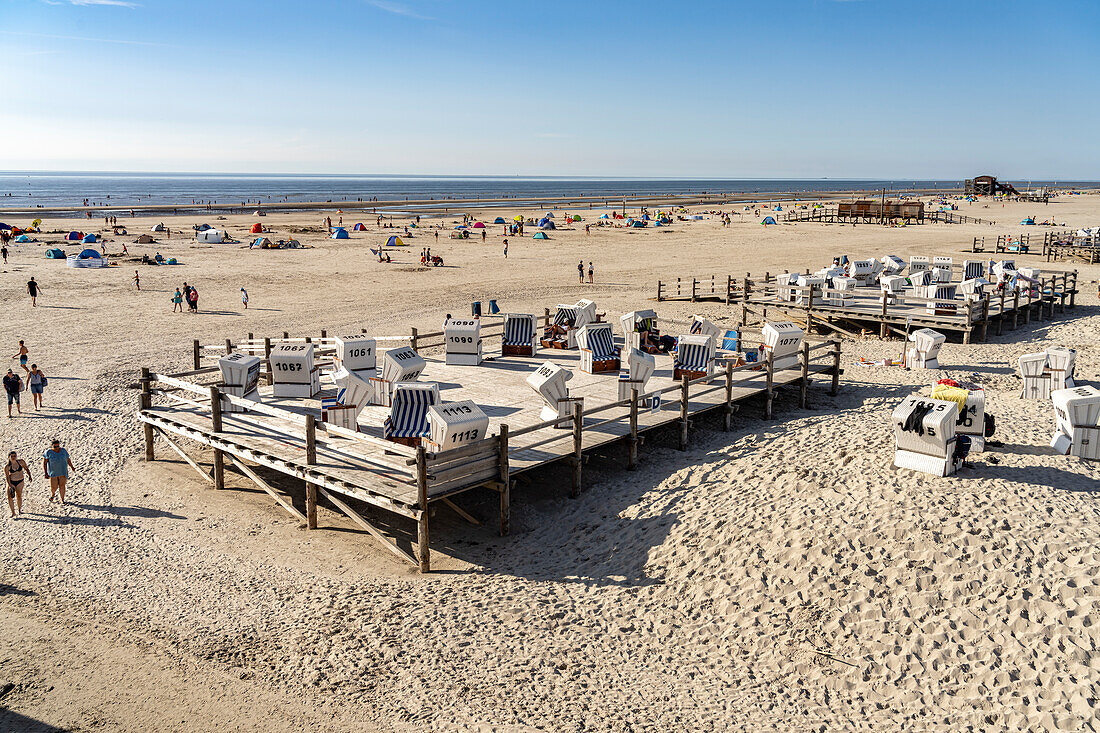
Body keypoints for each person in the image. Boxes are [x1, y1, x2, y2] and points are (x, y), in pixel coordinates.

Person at [43, 439, 74, 504]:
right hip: (53, 473)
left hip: (63, 471)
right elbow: (45, 463)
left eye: (58, 446)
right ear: (52, 446)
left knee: (62, 486)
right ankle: (53, 494)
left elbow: (68, 459)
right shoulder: (48, 452)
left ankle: (62, 499)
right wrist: (45, 473)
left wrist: (72, 467)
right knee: (54, 487)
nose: (57, 448)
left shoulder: (63, 451)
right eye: (55, 447)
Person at [5, 451, 29, 518]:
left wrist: (29, 475)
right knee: (9, 497)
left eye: (14, 456)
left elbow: (26, 468)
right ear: (9, 457)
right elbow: (7, 477)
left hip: (20, 481)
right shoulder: (7, 467)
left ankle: (19, 510)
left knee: (19, 495)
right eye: (11, 456)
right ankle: (13, 512)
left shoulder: (21, 462)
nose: (13, 457)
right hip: (11, 481)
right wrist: (10, 485)